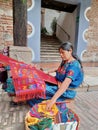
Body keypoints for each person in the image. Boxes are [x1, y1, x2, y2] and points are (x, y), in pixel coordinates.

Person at [28, 42, 84, 110]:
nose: (61, 55)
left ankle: (59, 101)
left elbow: (66, 84)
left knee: (39, 89)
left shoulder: (74, 66)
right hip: (58, 83)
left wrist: (53, 100)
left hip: (67, 91)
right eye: (60, 53)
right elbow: (59, 69)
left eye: (63, 52)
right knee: (38, 83)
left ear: (70, 51)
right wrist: (48, 71)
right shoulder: (65, 61)